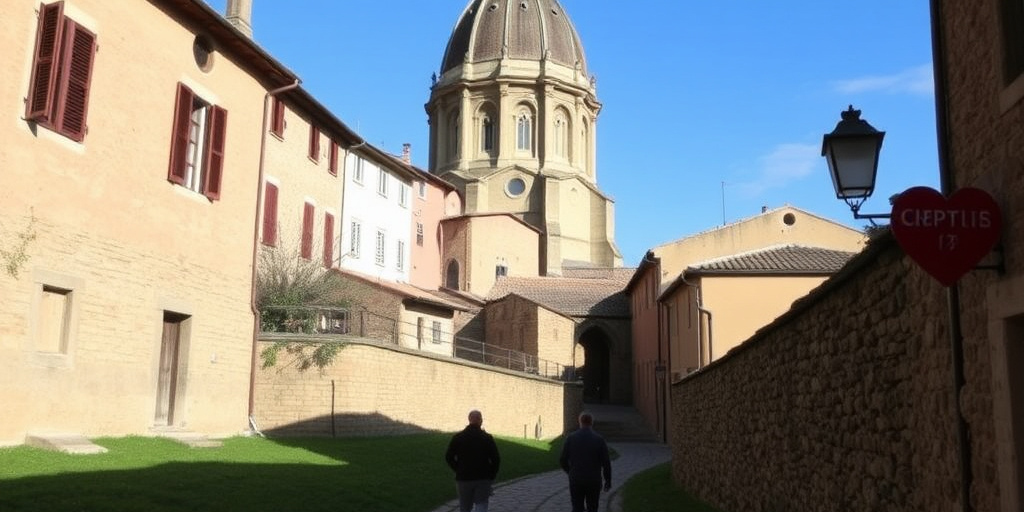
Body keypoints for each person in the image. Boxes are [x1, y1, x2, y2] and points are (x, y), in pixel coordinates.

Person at [445, 409, 500, 512]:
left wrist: (458, 469)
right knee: (481, 505)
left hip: (464, 478)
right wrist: (491, 475)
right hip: (483, 477)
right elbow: (496, 459)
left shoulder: (458, 437)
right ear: (481, 420)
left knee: (465, 507)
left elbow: (448, 457)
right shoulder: (487, 438)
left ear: (469, 419)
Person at [559, 411, 612, 512]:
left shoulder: (571, 438)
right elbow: (606, 463)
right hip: (593, 480)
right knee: (593, 507)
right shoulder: (599, 440)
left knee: (577, 507)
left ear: (580, 422)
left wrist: (570, 472)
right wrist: (608, 481)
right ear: (592, 423)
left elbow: (562, 459)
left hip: (576, 479)